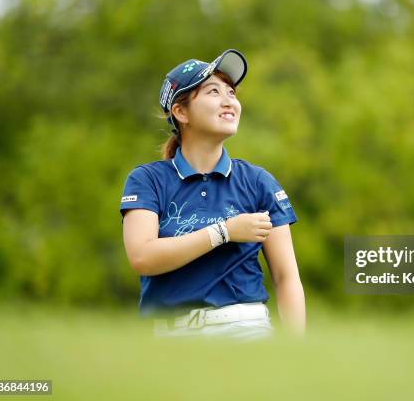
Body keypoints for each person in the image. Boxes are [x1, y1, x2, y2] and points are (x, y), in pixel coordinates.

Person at [120, 49, 305, 340]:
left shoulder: (259, 182)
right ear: (181, 112)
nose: (228, 100)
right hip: (170, 337)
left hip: (247, 330)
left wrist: (297, 347)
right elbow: (143, 256)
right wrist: (224, 232)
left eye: (231, 92)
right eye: (213, 91)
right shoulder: (147, 180)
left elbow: (286, 277)